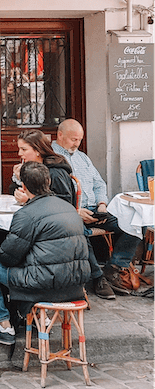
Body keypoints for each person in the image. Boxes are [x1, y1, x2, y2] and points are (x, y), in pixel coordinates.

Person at [0, 161, 90, 345]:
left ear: (24, 187)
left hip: (42, 286)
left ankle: (3, 325)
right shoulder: (69, 208)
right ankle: (36, 316)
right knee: (31, 266)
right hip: (75, 284)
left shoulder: (26, 214)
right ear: (48, 182)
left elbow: (7, 258)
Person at [52, 119, 144, 296]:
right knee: (78, 232)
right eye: (73, 139)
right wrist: (74, 211)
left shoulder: (82, 157)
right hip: (70, 213)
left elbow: (99, 184)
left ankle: (115, 268)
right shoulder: (51, 157)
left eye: (79, 139)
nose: (77, 143)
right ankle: (97, 278)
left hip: (96, 210)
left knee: (135, 221)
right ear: (60, 135)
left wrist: (102, 204)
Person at [8, 129, 76, 206]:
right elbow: (13, 193)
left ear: (38, 150)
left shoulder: (56, 172)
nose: (19, 153)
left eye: (24, 149)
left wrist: (29, 200)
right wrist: (20, 179)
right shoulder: (30, 168)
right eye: (19, 149)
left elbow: (64, 202)